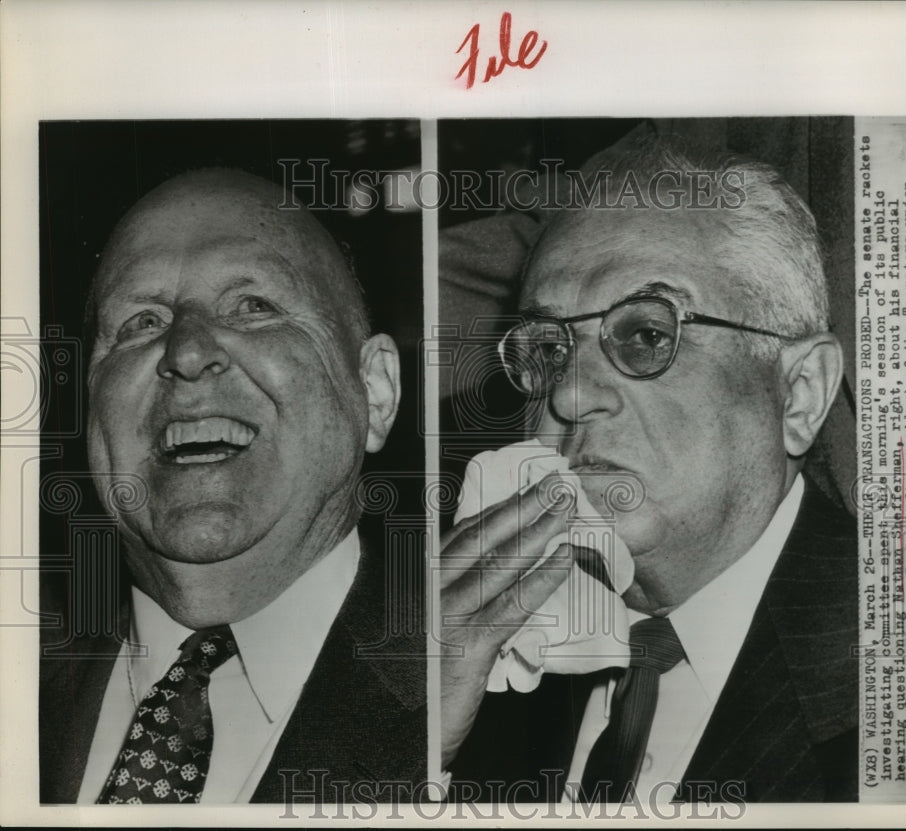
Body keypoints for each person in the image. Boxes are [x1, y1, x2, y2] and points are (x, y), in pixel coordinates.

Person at [439, 124, 858, 803]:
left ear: (801, 391)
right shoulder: (483, 669)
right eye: (547, 349)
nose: (569, 394)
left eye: (645, 334)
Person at [39, 169, 425, 804]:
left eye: (255, 307)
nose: (187, 352)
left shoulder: (503, 698)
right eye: (140, 321)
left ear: (375, 392)